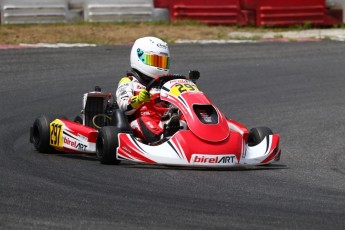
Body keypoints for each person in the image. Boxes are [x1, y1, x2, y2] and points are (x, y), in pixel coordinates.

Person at [115, 37, 181, 144]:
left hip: (165, 120)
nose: (160, 66)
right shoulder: (129, 81)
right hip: (139, 122)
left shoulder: (167, 84)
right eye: (155, 61)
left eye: (163, 62)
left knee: (182, 117)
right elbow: (123, 107)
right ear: (139, 57)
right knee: (144, 121)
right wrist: (139, 99)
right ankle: (161, 139)